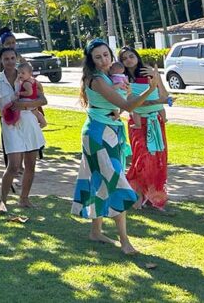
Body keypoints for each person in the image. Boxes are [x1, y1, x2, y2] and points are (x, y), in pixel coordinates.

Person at [71, 39, 158, 256]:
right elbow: (128, 106)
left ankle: (96, 231)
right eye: (98, 57)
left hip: (108, 132)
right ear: (91, 60)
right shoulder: (98, 80)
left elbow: (122, 105)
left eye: (106, 55)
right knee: (116, 182)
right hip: (99, 135)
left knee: (100, 180)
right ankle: (124, 241)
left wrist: (127, 95)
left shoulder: (109, 77)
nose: (103, 60)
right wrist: (151, 89)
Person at [0, 48, 47, 212]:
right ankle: (3, 201)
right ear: (0, 60)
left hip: (29, 121)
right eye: (6, 59)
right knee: (13, 166)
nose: (10, 61)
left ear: (17, 58)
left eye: (12, 58)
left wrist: (23, 105)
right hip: (10, 124)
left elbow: (43, 100)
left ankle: (24, 198)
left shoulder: (29, 78)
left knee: (30, 163)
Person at [118, 46, 170, 211]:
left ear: (137, 57)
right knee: (141, 159)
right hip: (138, 122)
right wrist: (155, 102)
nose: (128, 60)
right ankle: (137, 195)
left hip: (155, 121)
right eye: (124, 58)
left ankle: (153, 196)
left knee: (156, 159)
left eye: (131, 56)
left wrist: (156, 77)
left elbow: (165, 96)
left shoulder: (149, 74)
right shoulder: (122, 79)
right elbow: (131, 102)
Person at [15, 62, 47, 128]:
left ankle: (16, 120)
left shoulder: (26, 83)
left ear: (30, 73)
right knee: (37, 113)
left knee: (17, 107)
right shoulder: (33, 80)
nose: (20, 75)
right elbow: (40, 86)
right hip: (34, 101)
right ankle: (42, 124)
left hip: (27, 100)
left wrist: (20, 93)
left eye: (23, 73)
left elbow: (29, 93)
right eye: (18, 73)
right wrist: (41, 91)